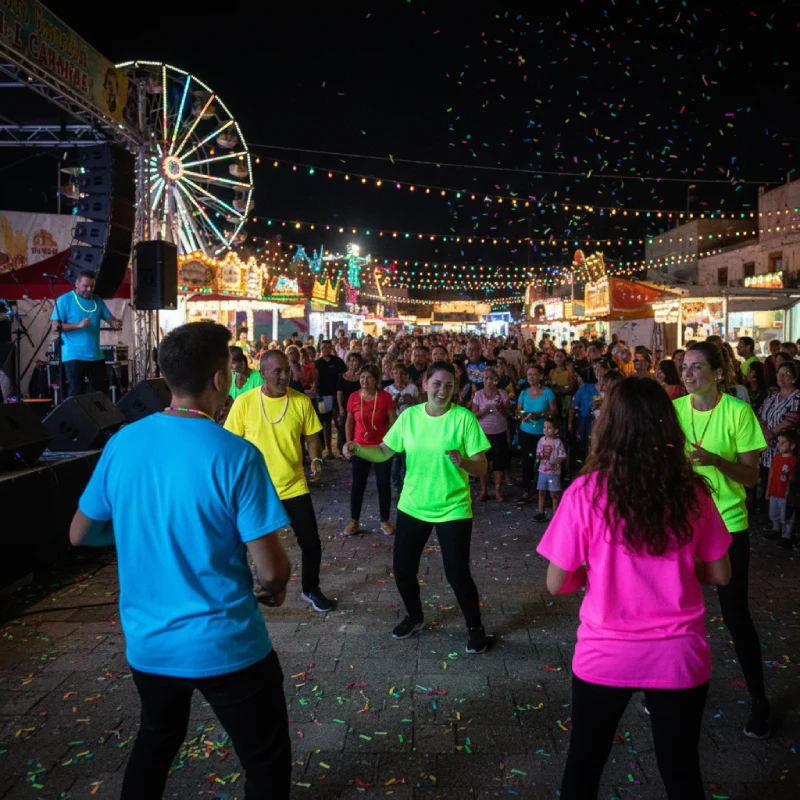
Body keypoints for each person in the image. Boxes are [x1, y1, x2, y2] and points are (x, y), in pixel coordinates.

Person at [69, 321, 293, 798]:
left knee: (156, 741)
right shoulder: (237, 455)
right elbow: (272, 570)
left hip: (149, 644)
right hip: (228, 645)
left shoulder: (122, 443)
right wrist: (275, 591)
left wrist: (140, 534)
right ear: (219, 380)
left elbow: (80, 533)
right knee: (264, 758)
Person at [537, 377, 731, 800]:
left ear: (608, 426)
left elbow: (557, 582)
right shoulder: (693, 492)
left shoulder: (585, 492)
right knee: (682, 773)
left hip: (605, 653)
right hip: (679, 655)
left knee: (584, 768)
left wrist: (596, 571)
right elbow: (720, 574)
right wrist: (680, 566)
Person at [343, 361, 491, 654]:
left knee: (457, 574)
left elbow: (483, 466)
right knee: (402, 569)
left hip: (454, 507)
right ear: (424, 384)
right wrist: (357, 448)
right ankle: (415, 615)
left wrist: (465, 462)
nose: (442, 390)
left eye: (449, 385)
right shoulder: (409, 417)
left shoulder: (463, 419)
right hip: (413, 505)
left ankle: (475, 628)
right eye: (437, 384)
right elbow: (385, 451)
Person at [674, 341, 770, 738]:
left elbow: (752, 478)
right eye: (684, 366)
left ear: (718, 373)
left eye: (697, 367)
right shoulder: (675, 411)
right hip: (681, 524)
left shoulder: (738, 412)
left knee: (734, 614)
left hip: (728, 524)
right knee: (674, 611)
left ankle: (759, 701)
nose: (688, 373)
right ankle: (667, 689)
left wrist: (716, 462)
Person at [225, 351, 334, 613]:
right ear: (262, 374)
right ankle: (240, 591)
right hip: (256, 489)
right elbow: (231, 444)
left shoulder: (300, 402)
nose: (286, 375)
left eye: (287, 369)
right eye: (279, 371)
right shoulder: (244, 403)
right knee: (240, 543)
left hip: (293, 484)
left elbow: (311, 438)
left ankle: (311, 588)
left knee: (310, 542)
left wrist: (316, 460)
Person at [344, 364, 396, 536]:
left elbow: (393, 421)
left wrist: (391, 443)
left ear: (376, 380)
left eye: (369, 377)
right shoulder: (353, 397)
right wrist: (349, 442)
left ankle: (384, 521)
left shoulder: (385, 397)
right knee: (358, 484)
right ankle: (354, 520)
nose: (365, 381)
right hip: (360, 447)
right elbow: (349, 421)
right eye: (362, 377)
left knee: (383, 484)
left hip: (381, 448)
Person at [50, 271, 122, 397]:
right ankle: (73, 416)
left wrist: (115, 323)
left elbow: (110, 319)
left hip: (95, 355)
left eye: (92, 286)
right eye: (85, 286)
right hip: (73, 355)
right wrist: (78, 325)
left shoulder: (97, 300)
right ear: (76, 283)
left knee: (102, 390)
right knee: (77, 390)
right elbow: (55, 327)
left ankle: (100, 416)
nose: (89, 290)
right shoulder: (64, 300)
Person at [516, 364, 558, 506]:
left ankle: (544, 491)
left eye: (534, 374)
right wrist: (522, 415)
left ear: (540, 376)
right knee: (527, 462)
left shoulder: (547, 392)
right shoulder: (523, 393)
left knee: (544, 462)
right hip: (526, 432)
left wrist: (539, 414)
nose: (532, 377)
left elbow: (554, 410)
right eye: (529, 375)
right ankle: (526, 491)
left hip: (543, 433)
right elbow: (518, 411)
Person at [471, 366, 510, 502]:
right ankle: (484, 490)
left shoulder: (502, 393)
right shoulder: (478, 395)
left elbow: (508, 413)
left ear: (496, 380)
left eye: (490, 378)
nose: (488, 381)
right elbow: (473, 414)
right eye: (485, 378)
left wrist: (502, 408)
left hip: (499, 431)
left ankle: (498, 490)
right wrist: (484, 411)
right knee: (484, 462)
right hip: (483, 434)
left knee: (498, 462)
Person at [385, 362, 420, 491]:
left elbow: (419, 405)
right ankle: (395, 483)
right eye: (396, 373)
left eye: (402, 373)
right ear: (392, 375)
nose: (399, 376)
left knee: (408, 455)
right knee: (396, 456)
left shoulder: (412, 388)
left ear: (406, 375)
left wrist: (411, 401)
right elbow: (385, 410)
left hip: (410, 425)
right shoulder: (388, 390)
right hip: (394, 426)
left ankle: (408, 481)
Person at [765, 430, 798, 548]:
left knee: (787, 515)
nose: (779, 445)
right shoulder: (776, 458)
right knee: (774, 512)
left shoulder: (793, 461)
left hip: (785, 494)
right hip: (775, 491)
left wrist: (790, 495)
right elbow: (771, 475)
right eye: (779, 442)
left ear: (792, 446)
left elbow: (792, 480)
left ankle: (787, 536)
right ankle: (776, 530)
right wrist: (768, 490)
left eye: (783, 443)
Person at [315, 340, 346, 458]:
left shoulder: (338, 361)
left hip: (337, 396)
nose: (326, 349)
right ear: (320, 349)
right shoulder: (317, 363)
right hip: (323, 397)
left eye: (328, 347)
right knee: (326, 424)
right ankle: (328, 449)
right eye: (323, 347)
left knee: (340, 423)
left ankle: (341, 448)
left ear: (331, 348)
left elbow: (344, 376)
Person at [534, 419, 566, 522]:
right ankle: (540, 512)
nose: (546, 430)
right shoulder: (541, 440)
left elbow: (562, 456)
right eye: (544, 427)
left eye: (549, 428)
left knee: (554, 493)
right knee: (541, 491)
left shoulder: (558, 442)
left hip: (553, 473)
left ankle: (555, 515)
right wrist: (541, 456)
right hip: (542, 471)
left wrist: (555, 463)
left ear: (556, 430)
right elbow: (538, 453)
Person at [336, 352, 364, 459]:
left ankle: (354, 450)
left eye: (355, 361)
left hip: (357, 407)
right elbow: (339, 393)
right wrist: (341, 408)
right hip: (345, 405)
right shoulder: (342, 376)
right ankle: (343, 451)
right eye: (350, 360)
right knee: (343, 429)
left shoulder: (360, 378)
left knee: (355, 429)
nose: (352, 363)